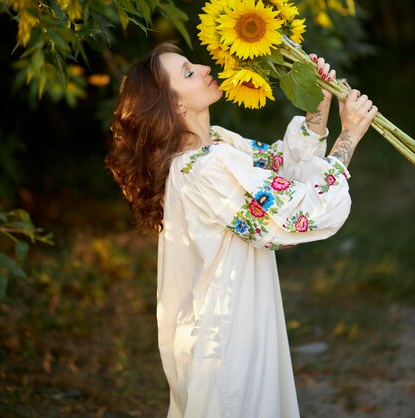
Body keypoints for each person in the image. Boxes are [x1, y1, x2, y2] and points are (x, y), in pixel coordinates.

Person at [105, 41, 378, 418]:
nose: (203, 68)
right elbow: (296, 214)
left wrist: (319, 102)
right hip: (228, 343)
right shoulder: (202, 170)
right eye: (187, 72)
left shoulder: (216, 145)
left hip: (240, 328)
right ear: (175, 105)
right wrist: (348, 137)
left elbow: (282, 172)